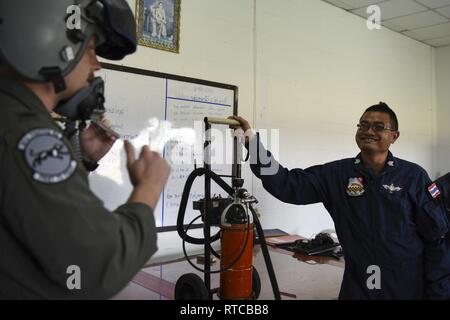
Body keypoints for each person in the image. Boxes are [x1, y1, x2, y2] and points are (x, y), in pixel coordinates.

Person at [0, 0, 170, 299]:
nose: (96, 65)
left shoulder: (14, 120)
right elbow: (94, 268)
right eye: (91, 49)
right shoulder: (26, 133)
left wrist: (79, 153)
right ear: (50, 42)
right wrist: (148, 189)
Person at [229, 102, 450, 299]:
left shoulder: (413, 177)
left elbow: (437, 239)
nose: (368, 131)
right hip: (358, 286)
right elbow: (286, 184)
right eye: (363, 125)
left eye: (378, 126)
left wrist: (440, 292)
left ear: (394, 136)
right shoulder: (336, 175)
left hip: (407, 287)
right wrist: (252, 142)